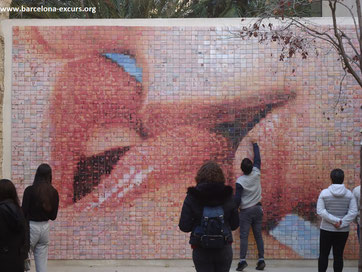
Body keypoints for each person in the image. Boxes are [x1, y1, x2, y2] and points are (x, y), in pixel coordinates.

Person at [179, 161, 239, 272]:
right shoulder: (228, 195)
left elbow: (184, 226)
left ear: (200, 176)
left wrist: (198, 223)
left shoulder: (192, 196)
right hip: (224, 247)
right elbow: (235, 224)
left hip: (201, 248)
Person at [316, 168, 358, 272]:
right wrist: (341, 222)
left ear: (331, 179)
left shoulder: (324, 193)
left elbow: (320, 211)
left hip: (326, 229)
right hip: (342, 230)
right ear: (343, 179)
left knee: (323, 255)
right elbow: (353, 212)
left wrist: (334, 221)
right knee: (338, 256)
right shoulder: (349, 194)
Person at [22, 163, 59, 272]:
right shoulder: (54, 192)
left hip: (31, 227)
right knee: (42, 265)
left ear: (37, 174)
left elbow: (23, 212)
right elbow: (53, 216)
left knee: (24, 261)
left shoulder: (29, 190)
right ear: (50, 175)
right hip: (45, 228)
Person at [235, 139, 265, 271]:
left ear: (242, 169)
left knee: (244, 236)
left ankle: (242, 261)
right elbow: (258, 159)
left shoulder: (240, 181)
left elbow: (237, 199)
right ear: (252, 167)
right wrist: (255, 145)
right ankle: (261, 259)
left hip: (246, 211)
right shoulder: (257, 173)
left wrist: (233, 209)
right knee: (258, 235)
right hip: (258, 209)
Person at [0, 179, 29, 272]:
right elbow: (25, 235)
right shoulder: (19, 211)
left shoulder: (1, 211)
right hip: (18, 259)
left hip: (3, 259)